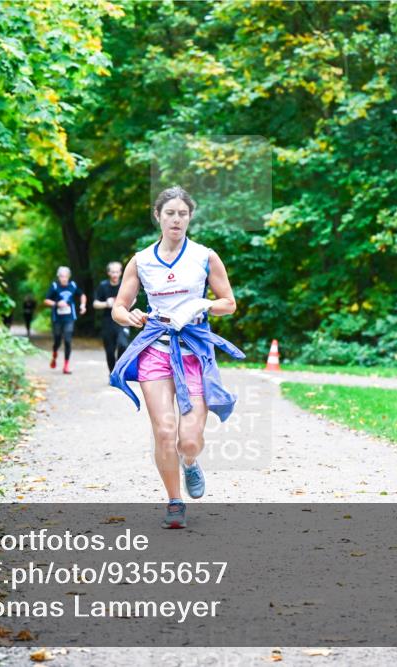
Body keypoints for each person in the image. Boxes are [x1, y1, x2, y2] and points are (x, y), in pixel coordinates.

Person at [109, 186, 245, 529]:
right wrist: (133, 317)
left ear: (189, 218)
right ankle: (173, 501)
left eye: (182, 214)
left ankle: (189, 462)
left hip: (194, 351)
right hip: (156, 347)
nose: (176, 219)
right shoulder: (141, 261)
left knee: (189, 439)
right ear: (158, 216)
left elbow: (229, 303)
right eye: (170, 213)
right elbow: (118, 309)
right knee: (165, 430)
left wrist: (203, 305)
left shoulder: (204, 256)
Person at [43, 267, 86, 374]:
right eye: (62, 276)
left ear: (69, 276)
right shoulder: (54, 286)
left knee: (67, 340)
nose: (64, 279)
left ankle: (66, 366)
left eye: (66, 276)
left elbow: (82, 295)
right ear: (58, 277)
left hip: (69, 317)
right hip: (57, 318)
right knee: (57, 339)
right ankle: (54, 353)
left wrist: (83, 305)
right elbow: (46, 300)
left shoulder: (73, 285)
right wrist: (57, 304)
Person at [93, 262, 131, 374]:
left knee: (123, 345)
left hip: (123, 320)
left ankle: (118, 370)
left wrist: (124, 304)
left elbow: (134, 299)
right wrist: (106, 304)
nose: (115, 274)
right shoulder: (103, 286)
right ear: (109, 273)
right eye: (112, 272)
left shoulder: (125, 285)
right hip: (107, 322)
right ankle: (112, 372)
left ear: (120, 272)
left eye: (117, 272)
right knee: (109, 351)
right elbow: (95, 304)